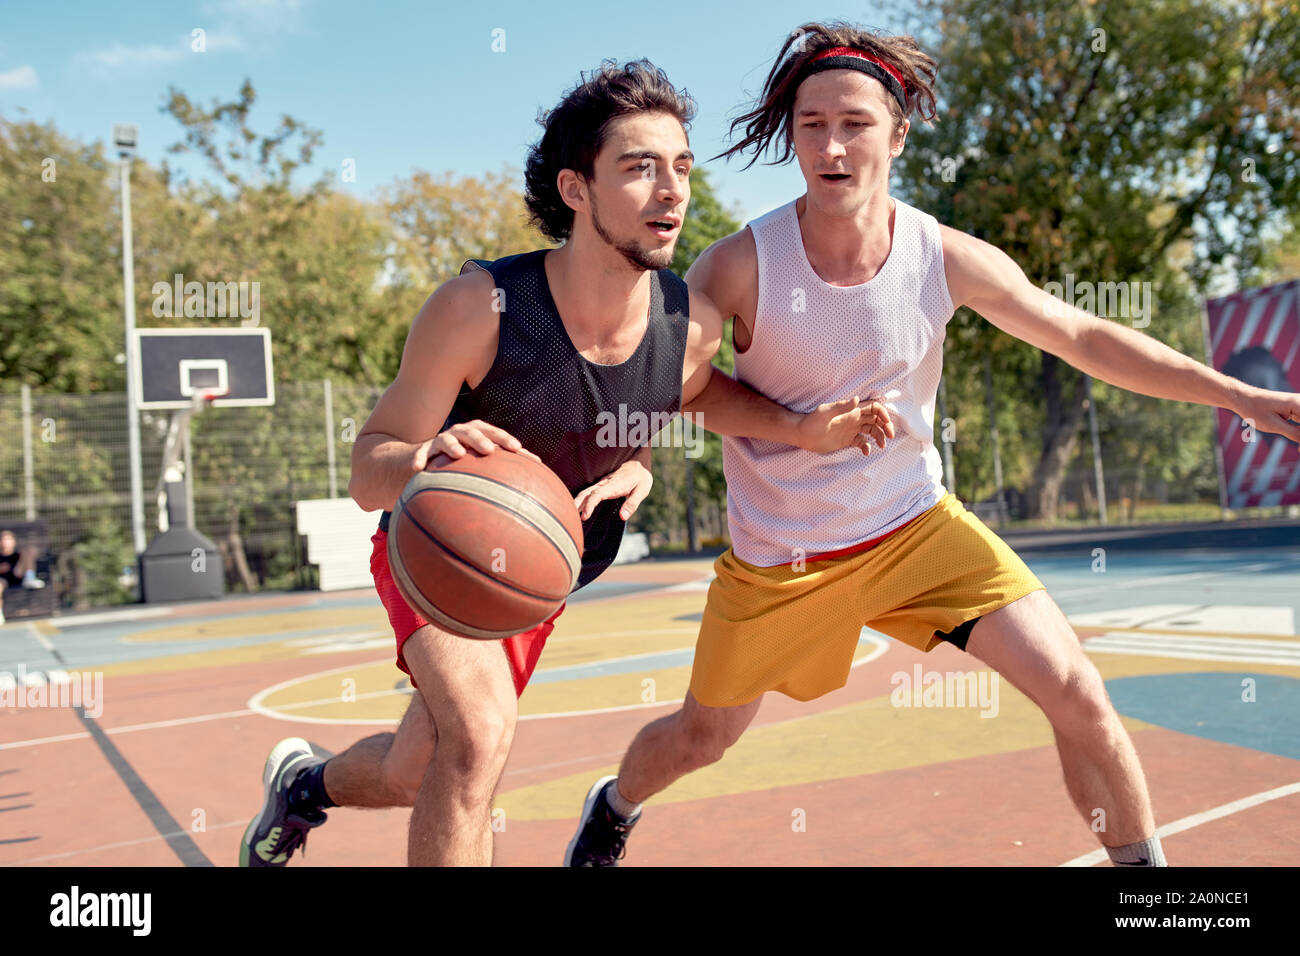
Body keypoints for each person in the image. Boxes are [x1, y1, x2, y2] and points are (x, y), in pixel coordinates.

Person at [565, 22, 1300, 867]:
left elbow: (1083, 336)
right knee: (702, 737)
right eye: (811, 125)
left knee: (1080, 694)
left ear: (898, 134)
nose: (832, 145)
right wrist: (653, 455)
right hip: (786, 556)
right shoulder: (740, 264)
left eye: (855, 123)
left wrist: (1238, 394)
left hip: (916, 525)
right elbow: (673, 380)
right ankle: (615, 804)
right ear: (793, 135)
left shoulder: (939, 256)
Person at [239, 59, 893, 867]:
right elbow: (366, 467)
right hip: (443, 550)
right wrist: (420, 457)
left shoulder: (683, 323)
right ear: (577, 190)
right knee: (478, 738)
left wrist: (788, 432)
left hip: (542, 573)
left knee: (422, 768)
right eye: (638, 167)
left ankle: (305, 787)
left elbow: (693, 395)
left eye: (681, 166)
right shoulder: (480, 309)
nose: (671, 190)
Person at [0, 528, 46, 625]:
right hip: (3, 580)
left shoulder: (17, 555)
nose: (5, 542)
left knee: (28, 552)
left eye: (7, 539)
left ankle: (30, 578)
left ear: (13, 541)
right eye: (3, 540)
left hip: (16, 576)